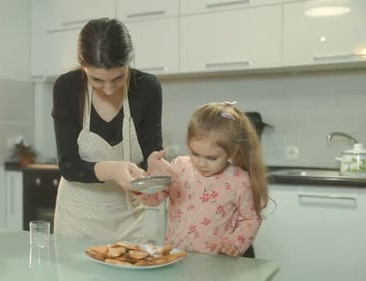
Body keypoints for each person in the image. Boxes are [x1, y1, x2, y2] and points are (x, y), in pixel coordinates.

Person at [51, 18, 164, 243]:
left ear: (128, 61)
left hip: (130, 219)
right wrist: (113, 170)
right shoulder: (67, 87)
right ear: (83, 66)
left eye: (118, 77)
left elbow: (152, 150)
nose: (109, 88)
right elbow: (69, 165)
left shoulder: (147, 87)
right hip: (77, 219)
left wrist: (157, 165)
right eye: (97, 80)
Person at [139, 101, 269, 256]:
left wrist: (233, 243)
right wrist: (143, 185)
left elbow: (250, 220)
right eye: (195, 153)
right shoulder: (179, 167)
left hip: (217, 263)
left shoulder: (239, 180)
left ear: (232, 151)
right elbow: (154, 199)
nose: (201, 163)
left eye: (211, 158)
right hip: (177, 257)